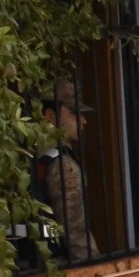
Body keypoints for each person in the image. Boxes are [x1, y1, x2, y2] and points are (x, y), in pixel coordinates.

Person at [40, 79, 99, 263]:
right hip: (59, 267)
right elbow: (75, 231)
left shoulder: (34, 155)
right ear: (50, 116)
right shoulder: (62, 164)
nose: (83, 121)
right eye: (75, 113)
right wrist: (93, 267)